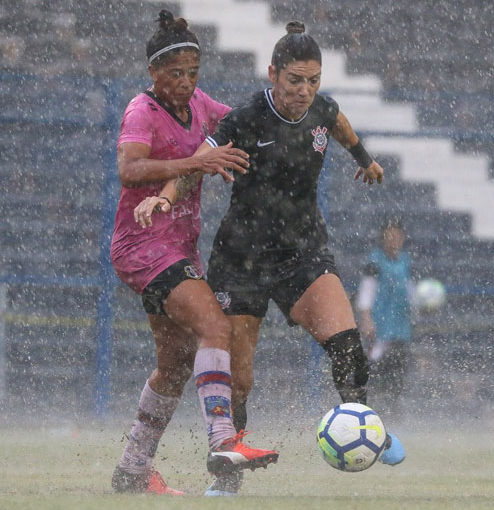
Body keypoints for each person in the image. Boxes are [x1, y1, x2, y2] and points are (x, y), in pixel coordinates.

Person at [136, 21, 405, 496]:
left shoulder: (322, 110)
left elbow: (338, 124)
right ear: (273, 74)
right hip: (242, 260)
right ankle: (228, 472)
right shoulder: (243, 121)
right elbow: (201, 159)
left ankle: (367, 427)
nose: (304, 91)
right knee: (238, 380)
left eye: (313, 81)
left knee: (346, 343)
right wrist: (166, 193)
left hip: (303, 250)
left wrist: (364, 158)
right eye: (294, 81)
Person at [110, 10, 278, 497]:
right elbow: (129, 168)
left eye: (193, 73)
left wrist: (286, 118)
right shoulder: (141, 110)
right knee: (215, 327)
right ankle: (223, 440)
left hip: (175, 248)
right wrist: (198, 161)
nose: (186, 83)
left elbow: (240, 124)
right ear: (153, 74)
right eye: (175, 74)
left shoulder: (200, 104)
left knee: (177, 362)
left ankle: (132, 469)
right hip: (143, 246)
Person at [357, 219, 414, 412]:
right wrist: (366, 319)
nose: (393, 240)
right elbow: (366, 292)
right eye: (390, 235)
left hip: (401, 327)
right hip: (380, 326)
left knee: (398, 371)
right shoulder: (375, 261)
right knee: (376, 369)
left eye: (397, 236)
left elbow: (410, 292)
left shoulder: (405, 261)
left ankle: (395, 412)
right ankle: (372, 410)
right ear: (383, 238)